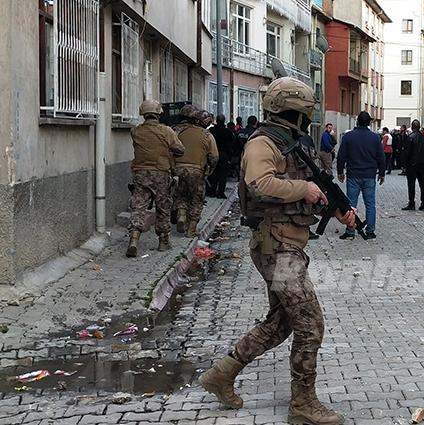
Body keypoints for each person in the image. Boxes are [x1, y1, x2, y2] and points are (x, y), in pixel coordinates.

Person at [199, 77, 356, 425]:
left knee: (281, 322)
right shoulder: (263, 143)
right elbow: (260, 183)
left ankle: (221, 374)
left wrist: (336, 209)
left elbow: (308, 192)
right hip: (278, 248)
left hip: (288, 244)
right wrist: (305, 188)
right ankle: (303, 404)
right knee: (310, 324)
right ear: (296, 112)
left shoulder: (292, 144)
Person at [126, 100, 185, 257]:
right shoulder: (166, 131)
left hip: (140, 174)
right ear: (159, 114)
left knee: (138, 206)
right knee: (162, 207)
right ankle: (163, 241)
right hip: (161, 173)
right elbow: (180, 149)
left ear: (143, 114)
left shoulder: (136, 131)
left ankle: (133, 239)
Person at [336, 112, 385, 240]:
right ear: (369, 123)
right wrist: (382, 173)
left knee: (351, 204)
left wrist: (340, 172)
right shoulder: (375, 138)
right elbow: (381, 157)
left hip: (353, 174)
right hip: (369, 175)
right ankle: (370, 231)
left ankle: (350, 230)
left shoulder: (348, 137)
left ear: (357, 121)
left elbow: (341, 156)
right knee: (370, 204)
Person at [172, 105, 219, 237]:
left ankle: (181, 215)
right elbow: (214, 157)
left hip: (178, 169)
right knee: (196, 199)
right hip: (196, 171)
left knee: (180, 195)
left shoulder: (175, 131)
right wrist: (210, 169)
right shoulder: (206, 134)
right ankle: (191, 229)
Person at [401, 119, 424, 211]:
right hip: (422, 164)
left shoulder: (410, 137)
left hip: (412, 164)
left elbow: (407, 152)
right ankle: (423, 204)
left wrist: (404, 164)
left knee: (411, 184)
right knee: (422, 184)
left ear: (412, 126)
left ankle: (411, 203)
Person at [207, 115, 236, 198]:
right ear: (224, 121)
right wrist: (230, 156)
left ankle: (212, 191)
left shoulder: (211, 131)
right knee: (223, 175)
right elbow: (232, 144)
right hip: (224, 155)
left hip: (212, 154)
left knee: (213, 173)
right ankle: (220, 192)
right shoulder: (227, 132)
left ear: (216, 120)